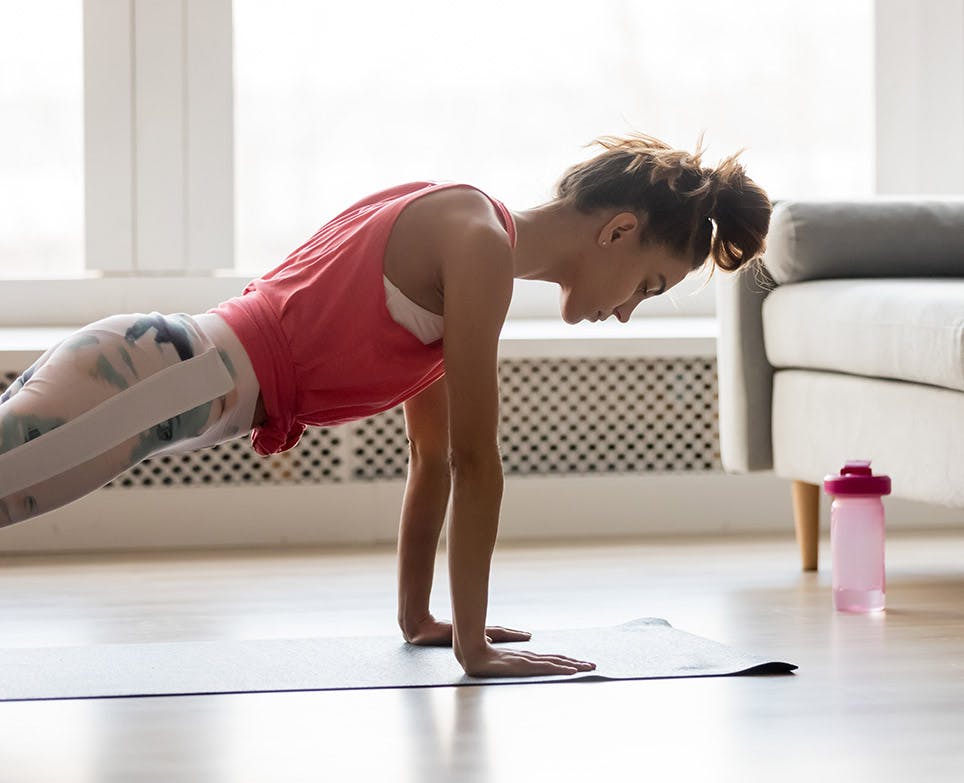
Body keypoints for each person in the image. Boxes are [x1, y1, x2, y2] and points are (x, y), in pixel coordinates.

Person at [0, 133, 771, 678]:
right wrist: (477, 647)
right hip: (159, 381)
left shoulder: (470, 241)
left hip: (155, 373)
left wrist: (424, 620)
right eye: (648, 285)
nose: (629, 311)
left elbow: (432, 458)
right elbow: (480, 462)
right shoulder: (476, 245)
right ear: (620, 230)